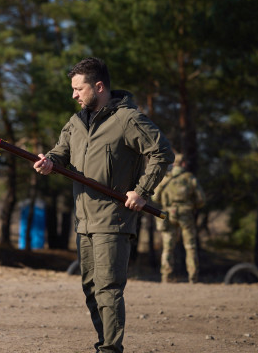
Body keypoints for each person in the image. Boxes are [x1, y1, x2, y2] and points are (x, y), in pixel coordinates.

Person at [33, 57, 173, 353]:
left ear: (98, 86)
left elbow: (161, 152)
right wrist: (49, 162)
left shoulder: (128, 120)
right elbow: (60, 152)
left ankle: (110, 349)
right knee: (91, 289)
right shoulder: (74, 123)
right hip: (84, 220)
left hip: (114, 220)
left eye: (78, 88)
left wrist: (142, 190)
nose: (74, 95)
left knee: (108, 288)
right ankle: (104, 344)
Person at [153, 153, 205, 284]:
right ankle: (193, 278)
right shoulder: (189, 178)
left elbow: (155, 198)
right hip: (186, 214)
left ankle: (166, 277)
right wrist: (191, 205)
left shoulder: (165, 179)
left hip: (167, 215)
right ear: (184, 163)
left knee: (167, 247)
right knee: (190, 246)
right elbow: (201, 199)